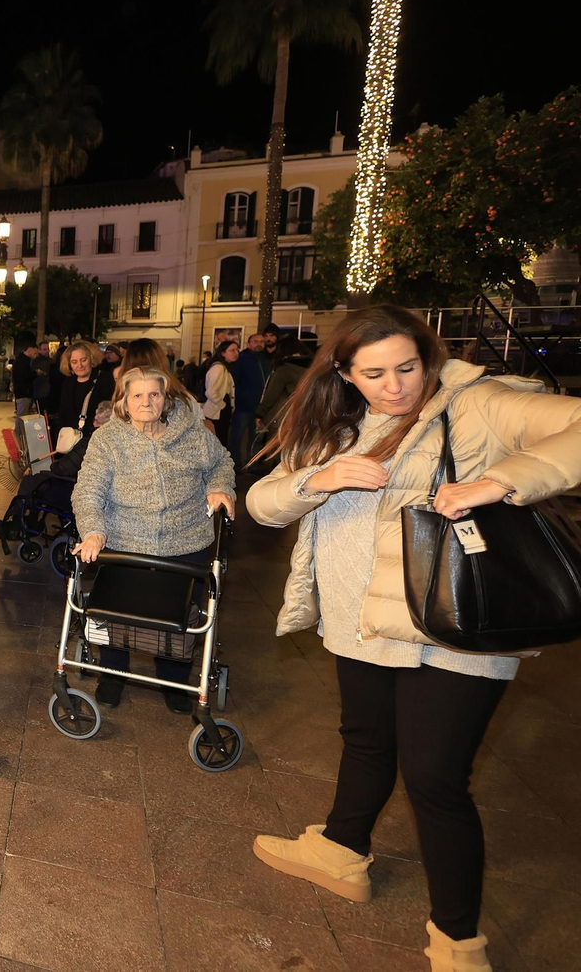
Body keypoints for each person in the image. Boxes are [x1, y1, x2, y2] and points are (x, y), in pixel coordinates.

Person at [245, 306, 581, 970]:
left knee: (435, 779)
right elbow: (263, 502)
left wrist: (496, 482)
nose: (396, 385)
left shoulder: (477, 402)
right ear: (345, 372)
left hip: (455, 627)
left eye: (408, 367)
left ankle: (458, 941)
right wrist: (322, 477)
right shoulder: (334, 425)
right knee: (366, 742)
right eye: (375, 373)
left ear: (428, 357)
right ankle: (342, 849)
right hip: (357, 621)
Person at [71, 366, 235, 712]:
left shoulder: (191, 432)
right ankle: (113, 673)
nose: (147, 402)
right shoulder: (108, 439)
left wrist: (220, 488)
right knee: (116, 611)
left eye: (154, 394)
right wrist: (93, 531)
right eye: (137, 396)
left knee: (180, 614)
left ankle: (174, 679)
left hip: (186, 539)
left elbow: (222, 462)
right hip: (126, 541)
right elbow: (87, 491)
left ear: (166, 398)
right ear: (124, 401)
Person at [53, 340, 114, 455]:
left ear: (91, 359)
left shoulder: (104, 379)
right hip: (71, 443)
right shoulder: (68, 383)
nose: (79, 365)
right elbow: (63, 413)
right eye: (74, 362)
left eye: (83, 360)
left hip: (95, 443)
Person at [231, 332, 273, 464]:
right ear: (249, 344)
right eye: (255, 341)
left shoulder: (266, 360)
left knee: (255, 439)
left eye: (261, 341)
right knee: (236, 438)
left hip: (260, 408)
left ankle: (252, 464)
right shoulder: (241, 359)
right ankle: (234, 464)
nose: (259, 344)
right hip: (243, 406)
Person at [200, 339, 239, 439]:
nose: (236, 353)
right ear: (223, 353)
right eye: (232, 350)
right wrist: (223, 405)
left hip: (219, 408)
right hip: (217, 410)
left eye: (237, 350)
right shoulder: (219, 368)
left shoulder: (224, 367)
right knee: (219, 438)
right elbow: (211, 392)